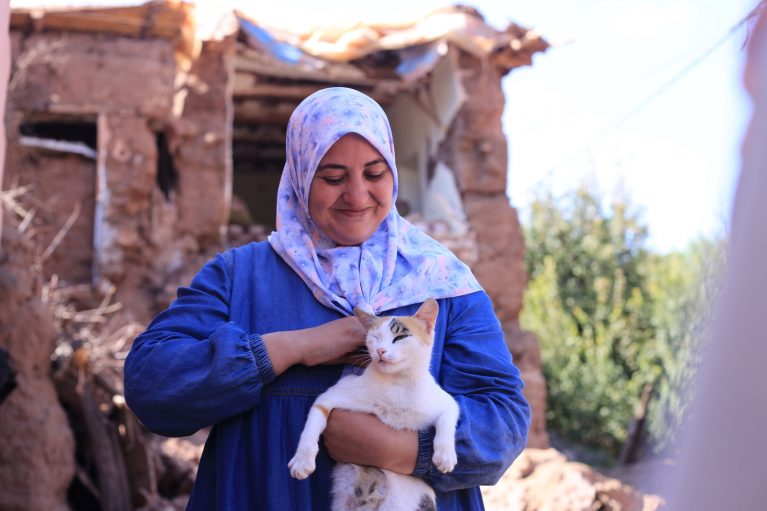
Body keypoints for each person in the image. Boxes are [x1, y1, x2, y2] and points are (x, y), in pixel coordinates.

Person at [124, 87, 530, 510]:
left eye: (374, 174)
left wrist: (400, 450)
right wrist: (291, 348)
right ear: (300, 175)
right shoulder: (240, 277)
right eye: (333, 177)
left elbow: (505, 421)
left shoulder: (444, 285)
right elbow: (151, 386)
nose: (356, 196)